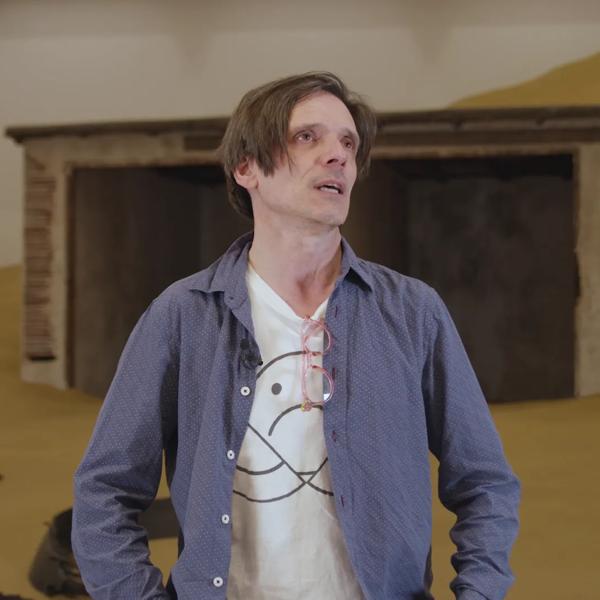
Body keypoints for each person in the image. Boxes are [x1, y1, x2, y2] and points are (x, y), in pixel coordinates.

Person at [72, 72, 520, 600]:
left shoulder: (412, 312)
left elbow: (485, 482)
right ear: (246, 167)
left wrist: (479, 592)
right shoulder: (183, 317)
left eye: (348, 143)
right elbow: (105, 491)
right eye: (308, 137)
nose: (338, 156)